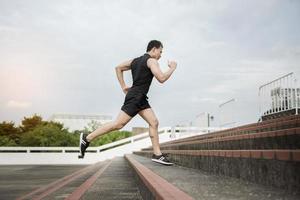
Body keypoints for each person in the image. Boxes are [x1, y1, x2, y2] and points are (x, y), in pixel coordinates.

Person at [78, 40, 177, 165]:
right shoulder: (152, 61)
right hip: (136, 97)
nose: (161, 55)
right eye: (160, 52)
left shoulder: (135, 61)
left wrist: (124, 86)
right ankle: (87, 138)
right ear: (154, 49)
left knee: (154, 122)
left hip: (140, 98)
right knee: (118, 124)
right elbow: (161, 78)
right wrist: (172, 68)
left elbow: (118, 67)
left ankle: (157, 154)